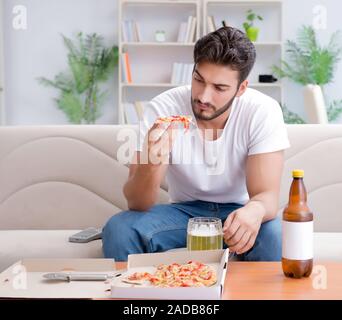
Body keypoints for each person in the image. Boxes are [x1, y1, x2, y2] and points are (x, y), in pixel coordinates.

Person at [102, 26, 290, 261]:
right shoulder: (164, 109)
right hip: (184, 213)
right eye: (199, 80)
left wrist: (255, 210)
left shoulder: (262, 111)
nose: (203, 96)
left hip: (240, 211)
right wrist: (151, 162)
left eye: (219, 88)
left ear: (241, 88)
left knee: (276, 234)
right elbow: (137, 202)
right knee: (119, 228)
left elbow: (266, 196)